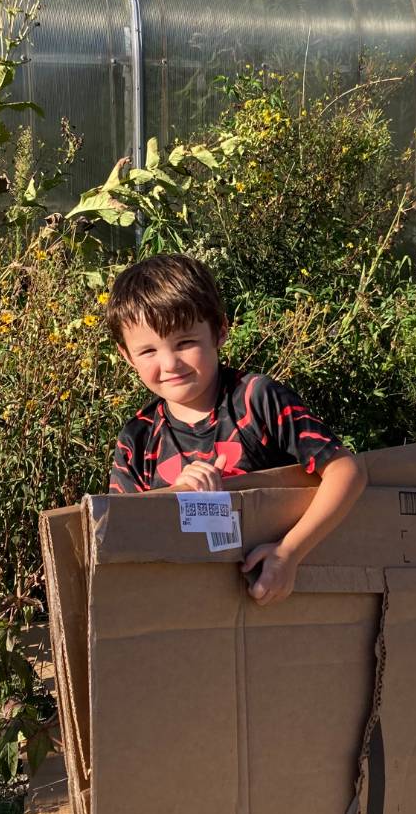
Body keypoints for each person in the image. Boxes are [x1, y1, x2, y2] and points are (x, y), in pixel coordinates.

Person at [105, 253, 367, 604]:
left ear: (220, 331)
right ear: (126, 356)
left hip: (278, 606)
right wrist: (180, 499)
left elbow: (347, 471)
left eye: (185, 343)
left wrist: (288, 553)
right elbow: (122, 536)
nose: (169, 364)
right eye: (148, 350)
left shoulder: (256, 401)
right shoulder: (137, 438)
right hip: (188, 616)